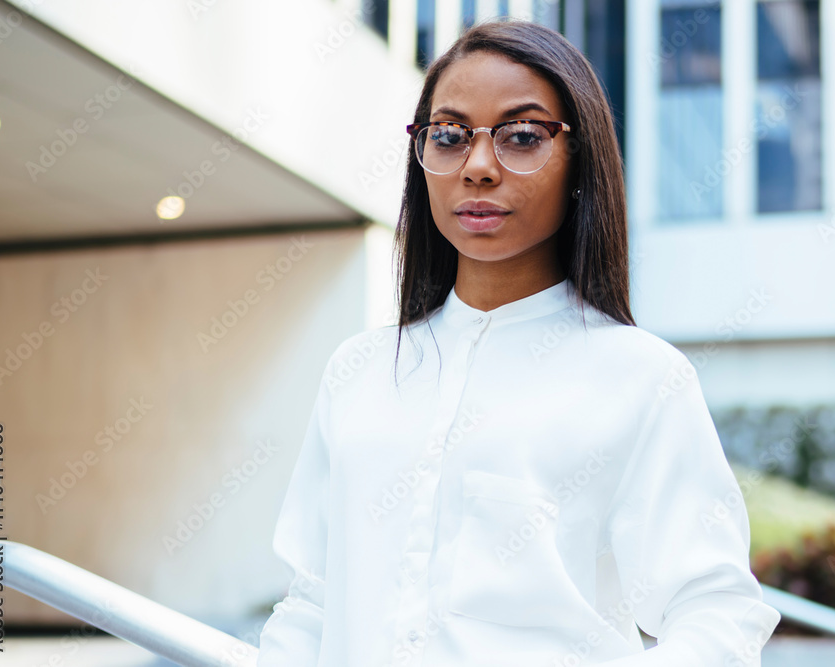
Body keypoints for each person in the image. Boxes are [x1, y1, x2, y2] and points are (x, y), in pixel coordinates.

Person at [256, 18, 781, 667]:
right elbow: (312, 601)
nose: (477, 167)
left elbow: (716, 611)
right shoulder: (358, 371)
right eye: (448, 135)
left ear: (580, 156)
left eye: (523, 136)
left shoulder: (641, 377)